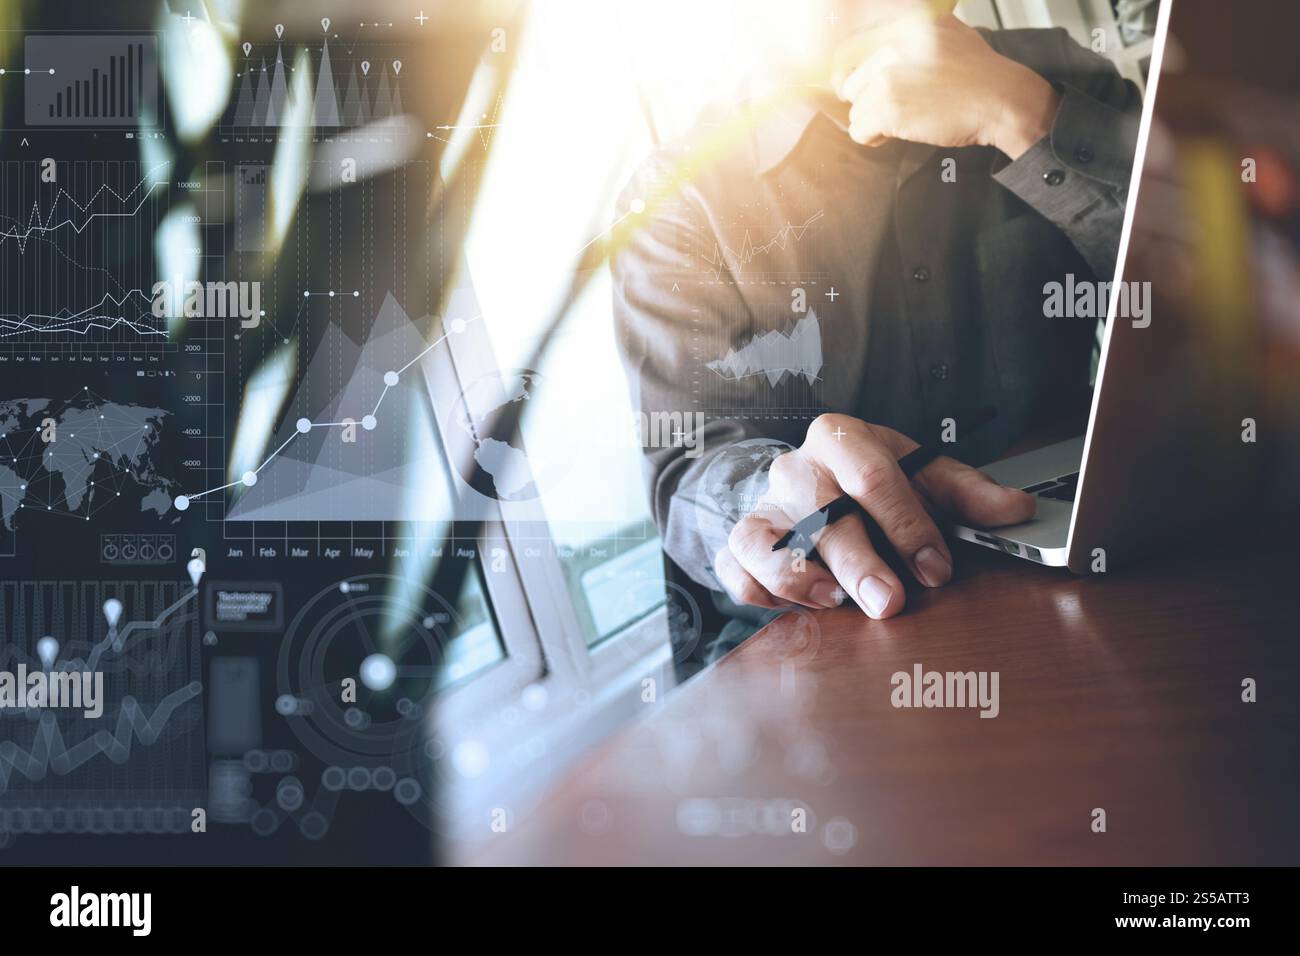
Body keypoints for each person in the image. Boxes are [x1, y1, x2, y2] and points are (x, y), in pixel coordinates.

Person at [612, 2, 1141, 627]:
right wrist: (773, 490)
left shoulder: (1055, 77)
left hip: (1111, 553)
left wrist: (1024, 118)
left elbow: (1228, 297)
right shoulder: (679, 198)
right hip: (856, 619)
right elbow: (689, 467)